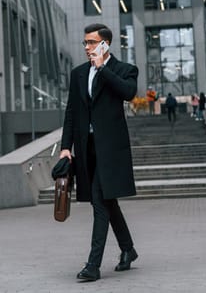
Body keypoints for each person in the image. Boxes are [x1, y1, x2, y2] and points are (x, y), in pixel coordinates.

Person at [59, 23, 139, 281]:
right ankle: (128, 249)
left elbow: (128, 93)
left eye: (92, 42)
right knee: (106, 200)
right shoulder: (78, 73)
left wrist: (103, 68)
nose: (86, 47)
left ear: (105, 44)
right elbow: (71, 112)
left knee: (99, 201)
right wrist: (65, 148)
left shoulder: (124, 69)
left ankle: (93, 266)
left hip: (111, 150)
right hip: (87, 149)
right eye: (85, 43)